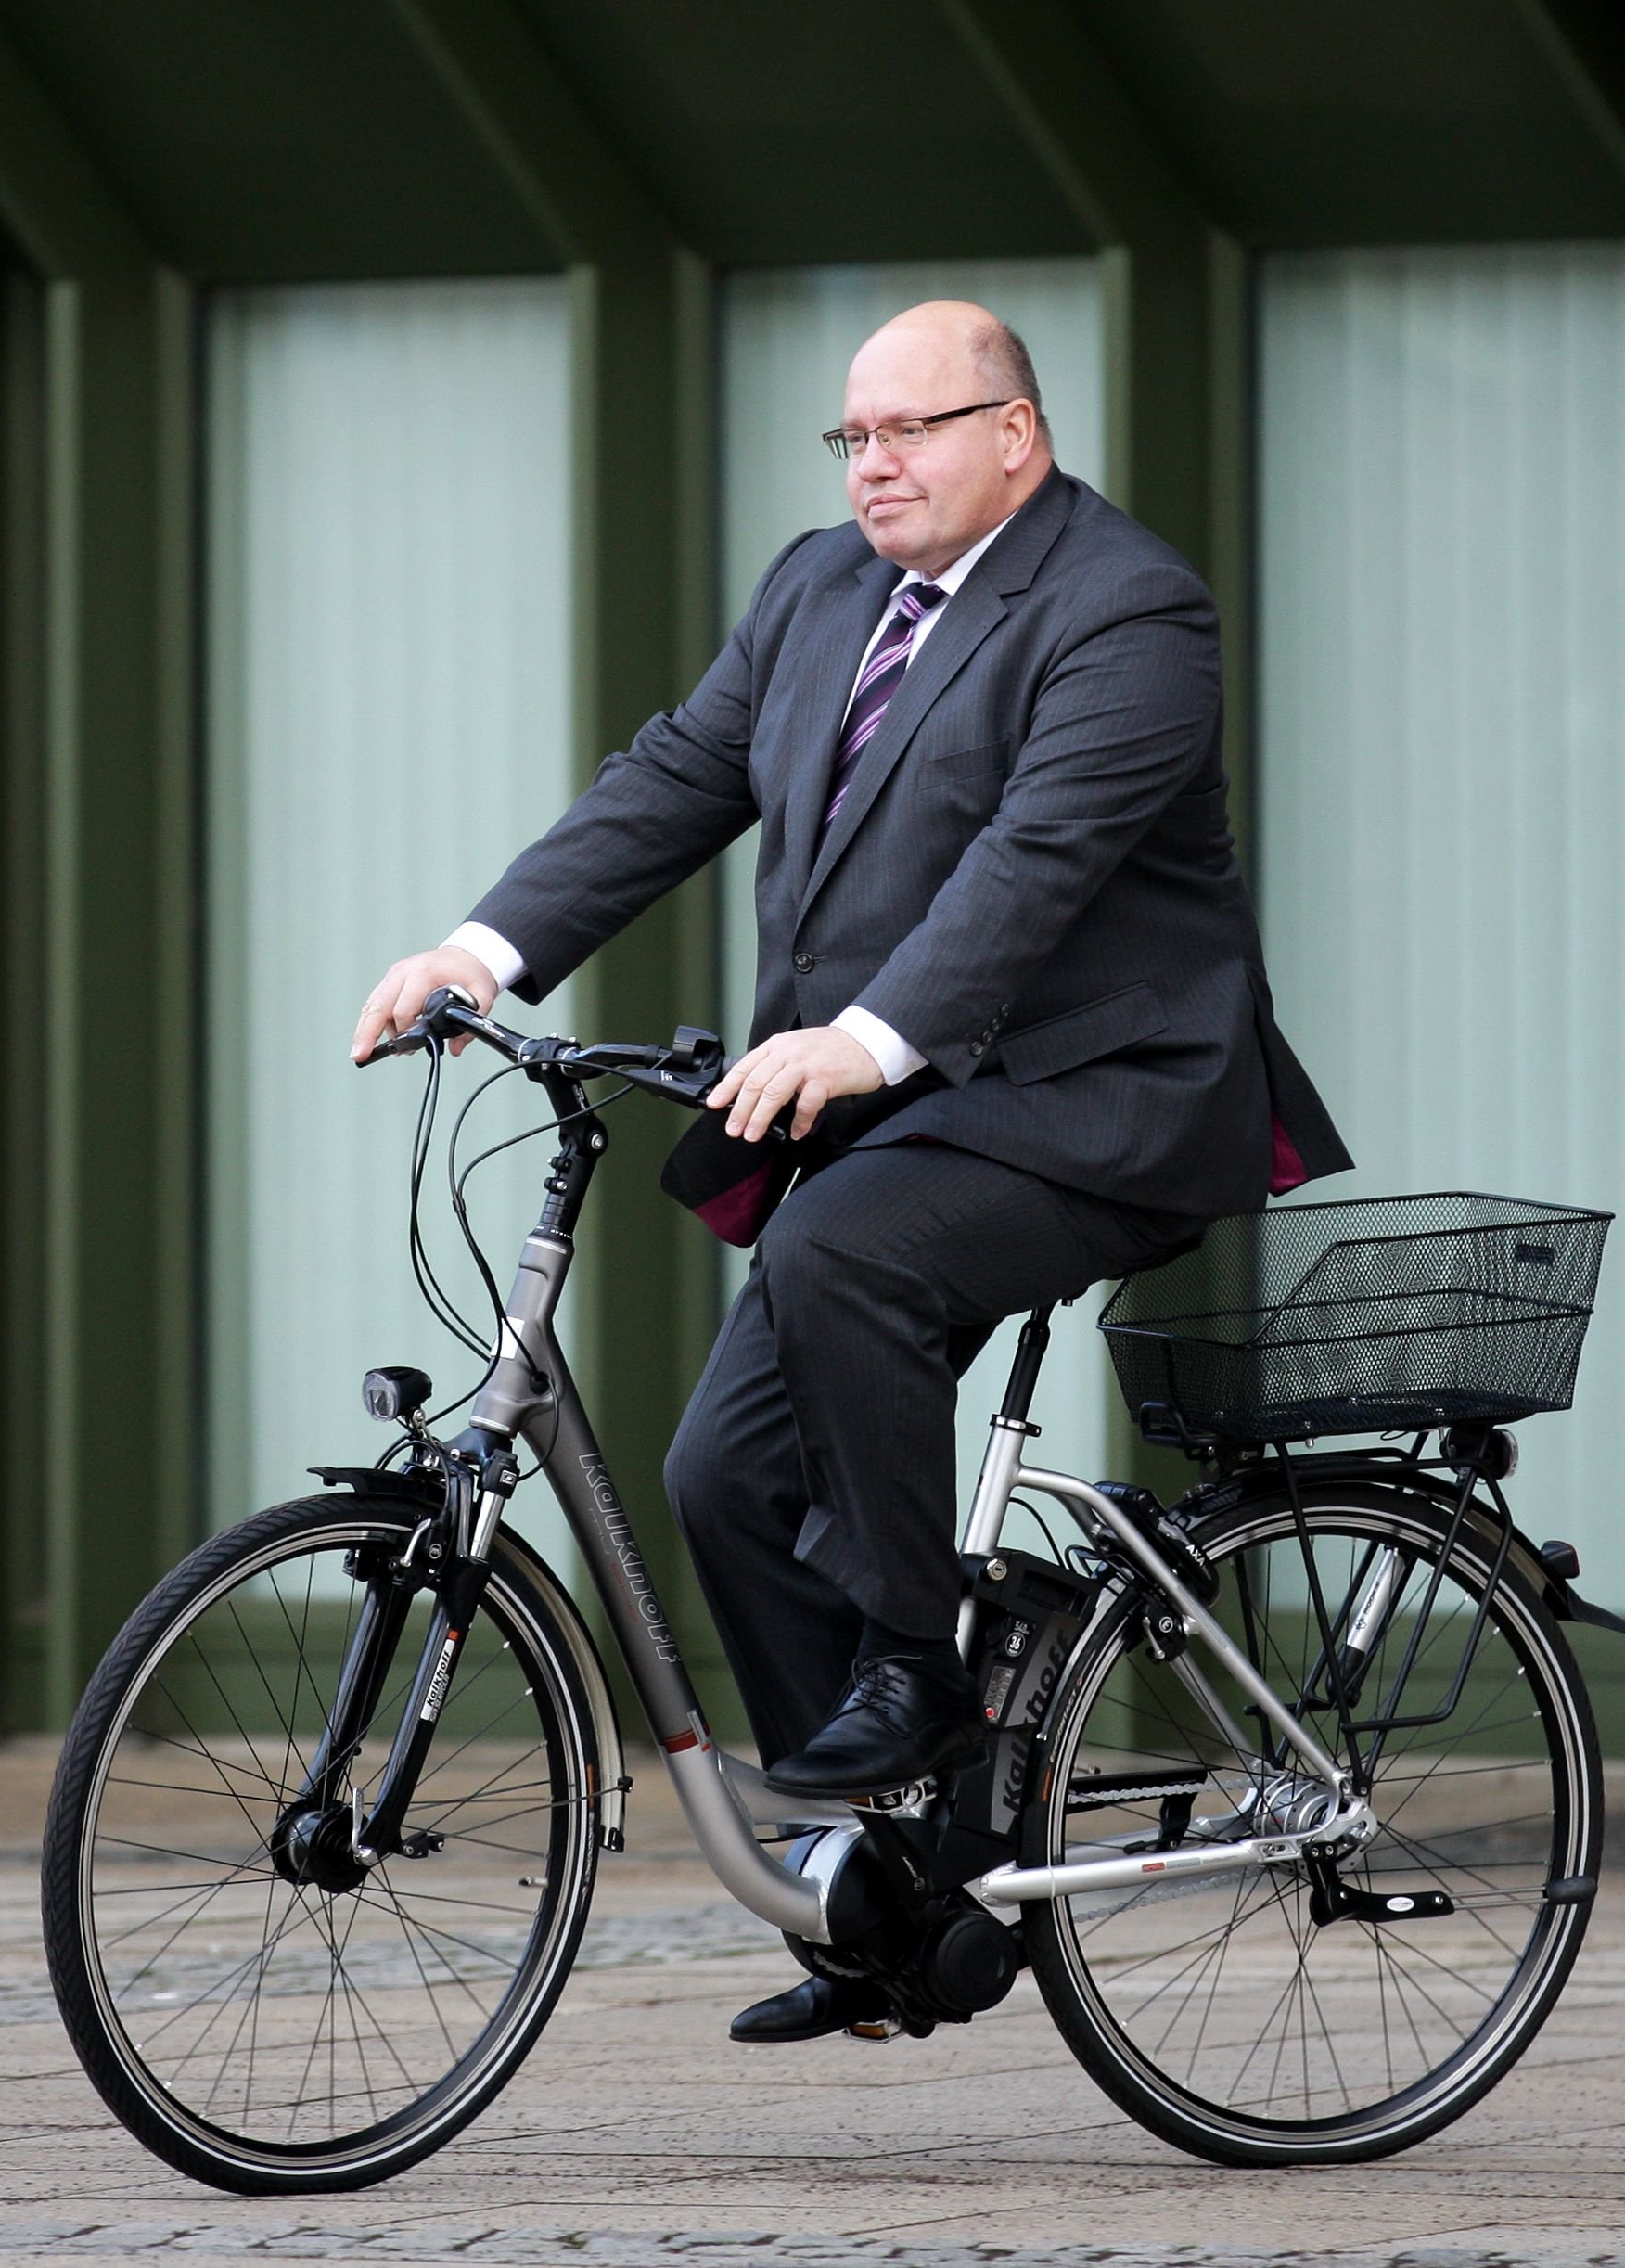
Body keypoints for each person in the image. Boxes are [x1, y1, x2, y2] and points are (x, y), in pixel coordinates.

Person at [350, 301, 1349, 2042]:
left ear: (1015, 434)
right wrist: (481, 953)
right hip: (923, 1108)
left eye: (910, 430)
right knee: (723, 1475)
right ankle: (891, 1899)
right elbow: (674, 778)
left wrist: (866, 1040)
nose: (871, 464)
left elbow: (1034, 864)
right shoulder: (821, 588)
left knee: (844, 1255)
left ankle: (918, 1671)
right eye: (852, 436)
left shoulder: (1126, 608)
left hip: (1104, 1098)